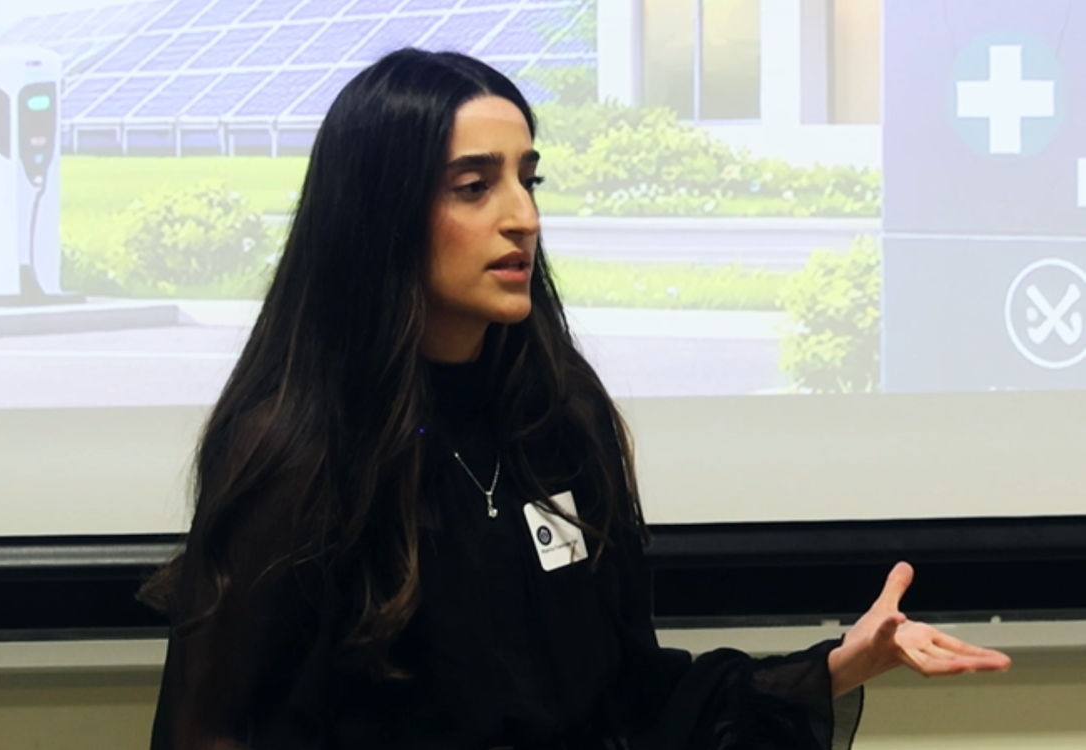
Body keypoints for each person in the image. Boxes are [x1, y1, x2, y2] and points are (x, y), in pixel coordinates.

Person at [141, 48, 1011, 750]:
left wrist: (835, 667)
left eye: (529, 178)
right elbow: (210, 728)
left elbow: (634, 697)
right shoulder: (298, 454)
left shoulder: (556, 418)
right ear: (380, 212)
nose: (522, 216)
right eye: (474, 185)